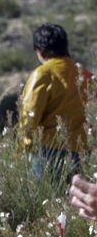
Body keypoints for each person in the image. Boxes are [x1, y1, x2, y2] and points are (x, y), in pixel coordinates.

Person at [19, 23, 93, 182]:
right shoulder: (87, 75)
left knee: (49, 202)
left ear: (39, 51)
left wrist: (22, 148)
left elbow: (30, 118)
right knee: (77, 203)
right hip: (84, 152)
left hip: (49, 152)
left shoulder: (42, 74)